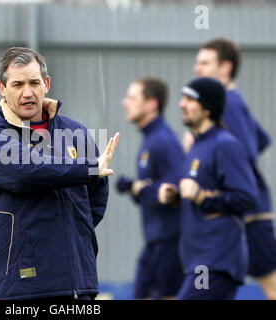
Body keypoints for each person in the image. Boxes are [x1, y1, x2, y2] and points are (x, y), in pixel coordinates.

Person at [0, 46, 119, 300]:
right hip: (19, 288)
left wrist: (69, 234)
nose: (27, 92)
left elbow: (95, 201)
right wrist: (89, 168)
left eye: (34, 82)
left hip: (77, 283)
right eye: (17, 84)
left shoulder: (76, 132)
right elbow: (25, 171)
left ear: (46, 84)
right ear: (2, 88)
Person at [188, 38, 276, 299]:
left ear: (225, 68)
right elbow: (261, 139)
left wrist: (202, 146)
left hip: (249, 213)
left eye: (204, 63)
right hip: (244, 213)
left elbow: (244, 151)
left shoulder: (229, 103)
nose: (197, 69)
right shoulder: (231, 102)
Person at [159, 77, 258, 300]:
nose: (181, 104)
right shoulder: (198, 146)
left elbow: (247, 197)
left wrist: (201, 195)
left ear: (207, 108)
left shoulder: (225, 145)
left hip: (214, 261)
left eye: (189, 99)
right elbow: (197, 193)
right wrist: (176, 197)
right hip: (198, 260)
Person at [116, 78, 185, 299]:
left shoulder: (162, 141)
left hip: (171, 242)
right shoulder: (150, 139)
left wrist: (138, 188)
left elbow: (176, 190)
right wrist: (135, 189)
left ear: (151, 104)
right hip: (155, 242)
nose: (125, 103)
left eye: (132, 98)